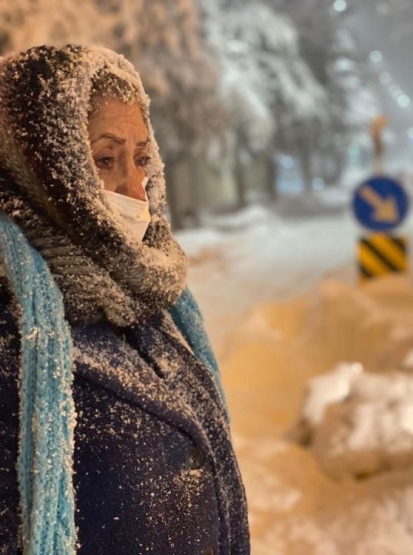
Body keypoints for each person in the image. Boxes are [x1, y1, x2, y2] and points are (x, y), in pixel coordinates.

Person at [0, 45, 250, 554]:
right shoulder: (15, 332)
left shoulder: (149, 304)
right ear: (44, 170)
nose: (136, 189)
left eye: (141, 159)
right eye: (105, 160)